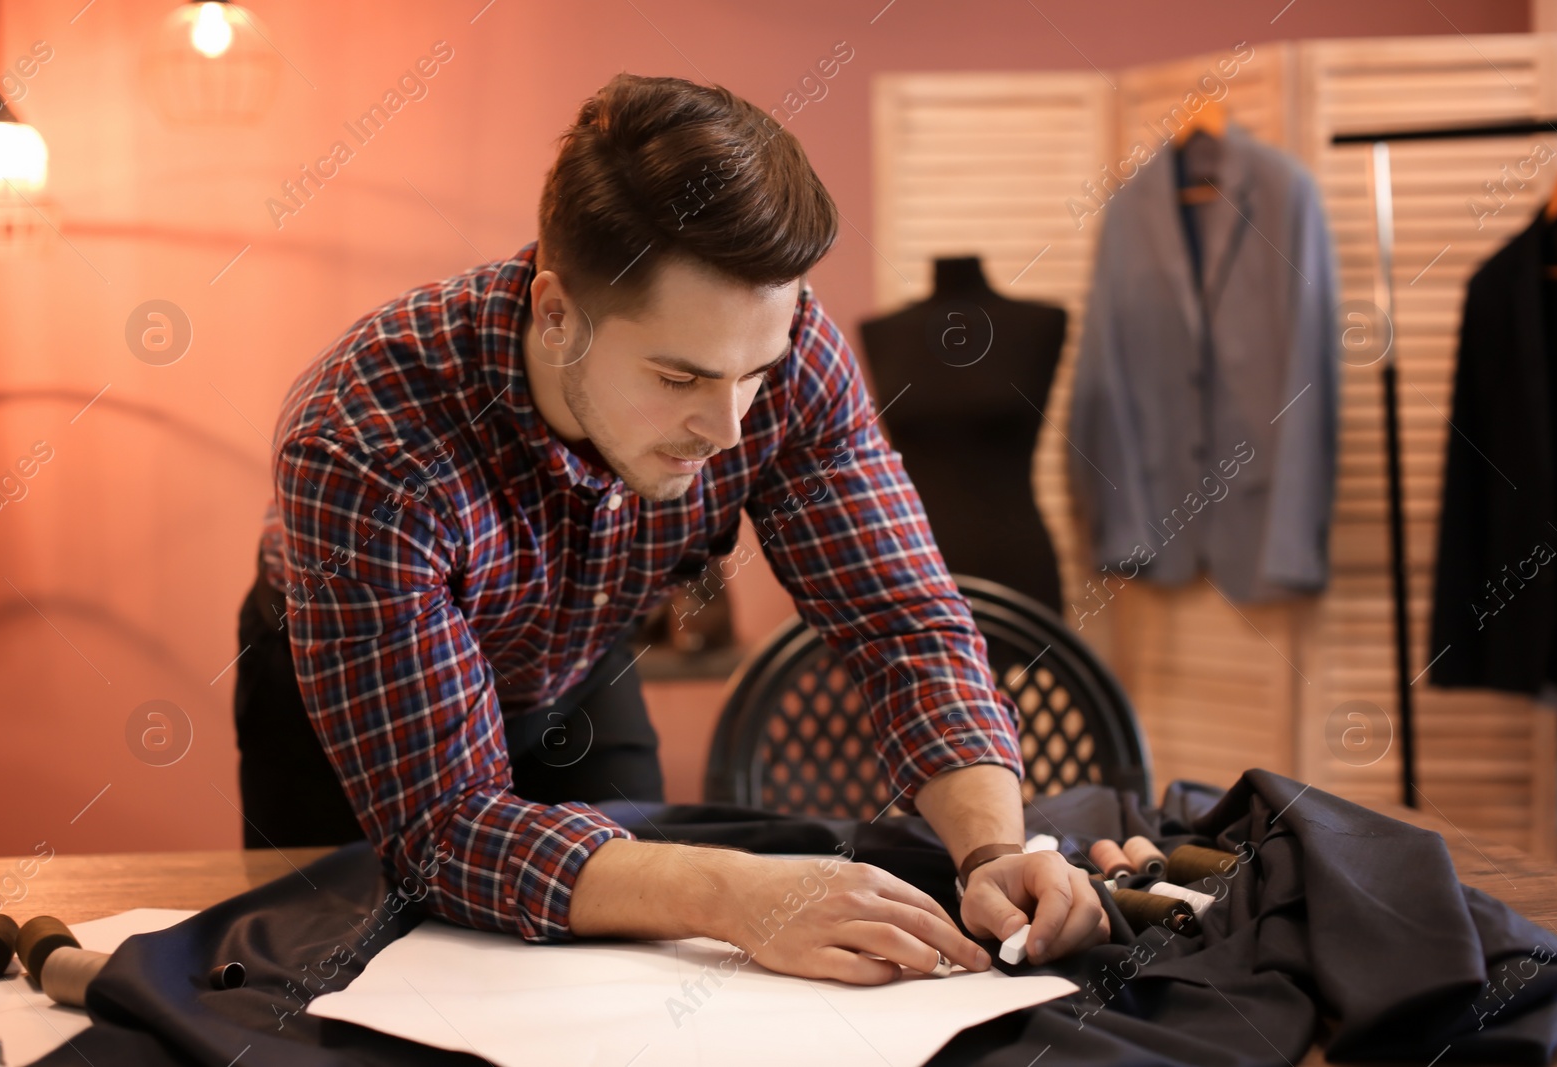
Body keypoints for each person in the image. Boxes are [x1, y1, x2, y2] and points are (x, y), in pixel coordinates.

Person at [232, 71, 1108, 987]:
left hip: (575, 665)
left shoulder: (792, 352)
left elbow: (903, 621)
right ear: (558, 314)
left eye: (756, 373)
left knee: (638, 990)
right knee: (334, 996)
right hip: (345, 704)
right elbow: (443, 829)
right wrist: (737, 893)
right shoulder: (365, 442)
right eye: (681, 379)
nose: (730, 429)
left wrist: (991, 852)